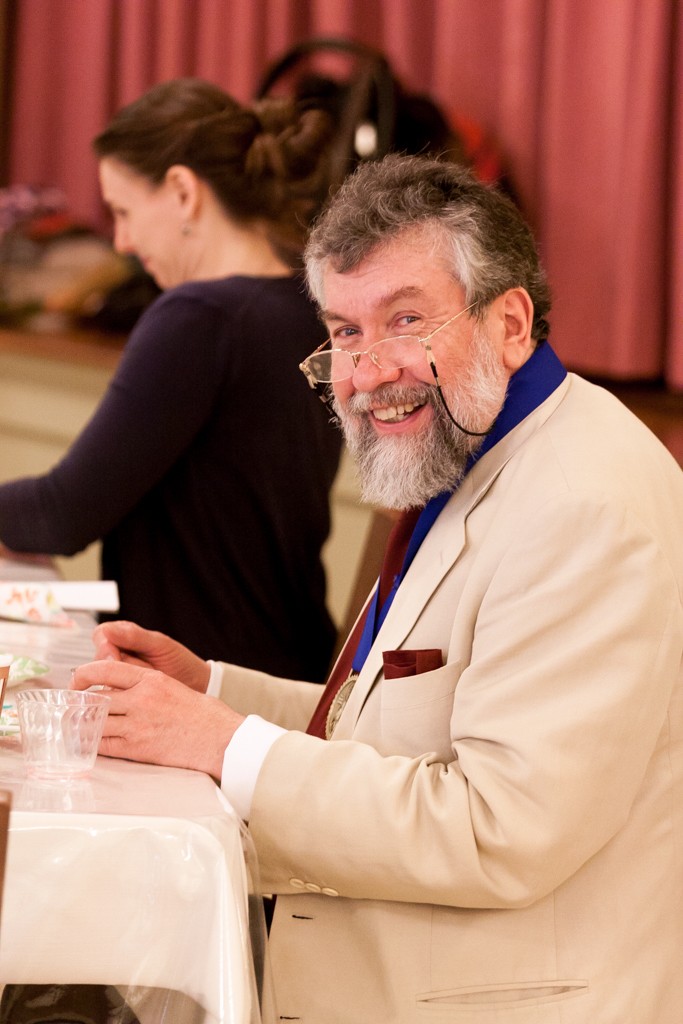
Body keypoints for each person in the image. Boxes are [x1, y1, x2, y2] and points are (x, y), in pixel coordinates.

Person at [72, 155, 683, 1023]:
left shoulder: (582, 503)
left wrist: (225, 744)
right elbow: (400, 726)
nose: (364, 373)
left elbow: (497, 827)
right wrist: (210, 692)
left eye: (405, 320)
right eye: (344, 332)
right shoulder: (481, 451)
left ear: (510, 323)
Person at [0, 79, 342, 681]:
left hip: (204, 678)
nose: (122, 242)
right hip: (291, 666)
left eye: (124, 212)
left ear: (184, 191)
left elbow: (62, 514)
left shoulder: (200, 316)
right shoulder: (308, 306)